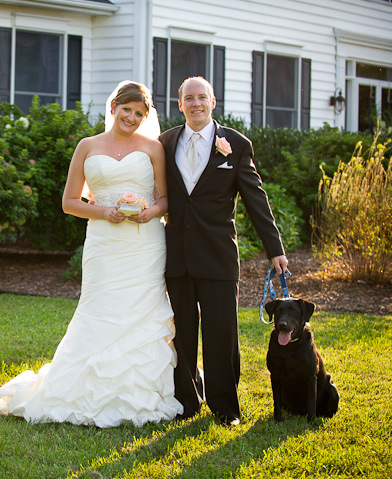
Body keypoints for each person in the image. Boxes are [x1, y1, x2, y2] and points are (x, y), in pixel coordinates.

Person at [0, 81, 183, 427]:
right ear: (113, 108)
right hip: (104, 242)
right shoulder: (87, 146)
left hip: (145, 244)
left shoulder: (153, 148)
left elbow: (167, 199)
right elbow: (69, 203)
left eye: (140, 113)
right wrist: (103, 212)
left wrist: (150, 212)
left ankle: (139, 392)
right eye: (127, 110)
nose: (133, 117)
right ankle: (79, 386)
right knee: (99, 308)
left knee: (141, 311)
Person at [159, 77, 288, 426]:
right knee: (181, 331)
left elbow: (255, 199)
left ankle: (225, 407)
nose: (195, 103)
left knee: (221, 333)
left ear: (213, 102)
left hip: (217, 254)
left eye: (202, 97)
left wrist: (274, 249)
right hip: (177, 255)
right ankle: (186, 400)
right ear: (180, 103)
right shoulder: (165, 142)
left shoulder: (236, 143)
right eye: (189, 98)